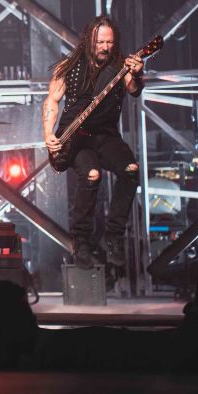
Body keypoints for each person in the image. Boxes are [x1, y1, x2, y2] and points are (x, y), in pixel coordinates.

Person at [42, 16, 144, 268]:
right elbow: (52, 100)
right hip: (76, 137)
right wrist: (48, 133)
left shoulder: (121, 67)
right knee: (92, 175)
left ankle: (114, 237)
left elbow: (134, 89)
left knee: (131, 170)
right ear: (89, 40)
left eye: (109, 42)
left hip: (106, 135)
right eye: (100, 42)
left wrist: (137, 74)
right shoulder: (69, 65)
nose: (105, 47)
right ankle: (82, 241)